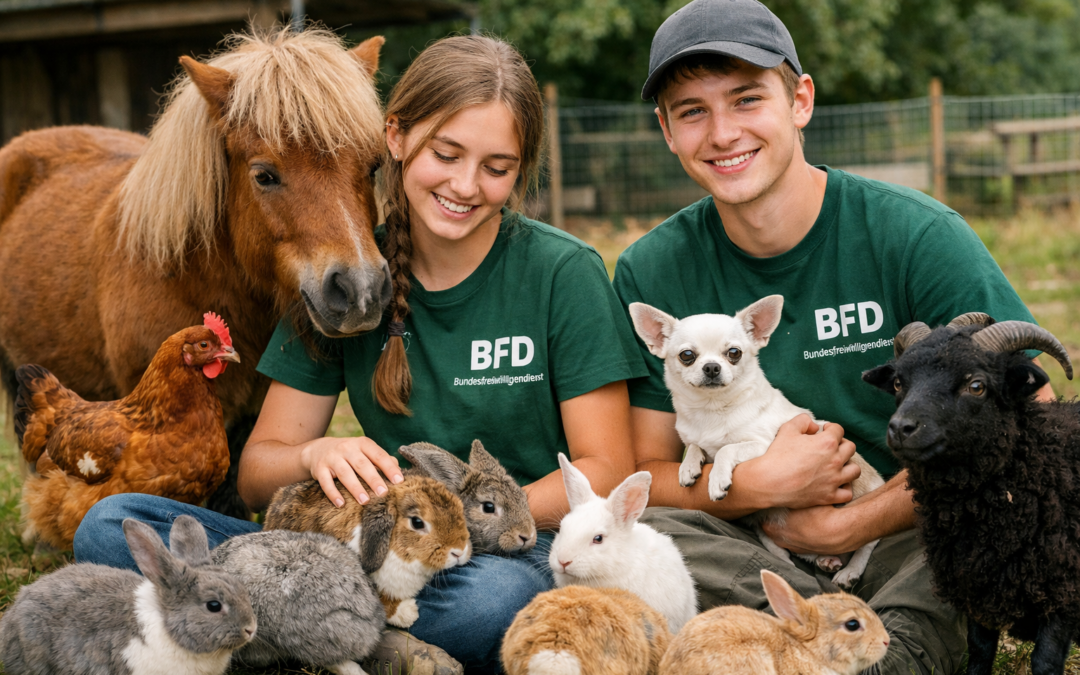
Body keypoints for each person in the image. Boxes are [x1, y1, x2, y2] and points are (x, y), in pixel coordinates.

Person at [75, 34, 646, 673]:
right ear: (394, 139)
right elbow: (258, 470)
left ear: (520, 169)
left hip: (501, 552)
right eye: (447, 153)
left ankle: (292, 627)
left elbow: (603, 466)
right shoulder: (349, 277)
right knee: (110, 522)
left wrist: (451, 522)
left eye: (496, 166)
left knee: (497, 600)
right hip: (358, 549)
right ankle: (356, 631)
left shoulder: (563, 272)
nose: (464, 184)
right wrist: (316, 453)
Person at [612, 2, 1055, 674]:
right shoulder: (652, 267)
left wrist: (850, 523)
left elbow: (1033, 419)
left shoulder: (915, 235)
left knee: (962, 532)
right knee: (645, 532)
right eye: (692, 110)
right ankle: (791, 637)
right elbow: (651, 470)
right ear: (667, 131)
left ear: (800, 100)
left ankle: (878, 649)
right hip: (750, 546)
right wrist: (760, 484)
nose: (723, 131)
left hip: (903, 529)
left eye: (746, 98)